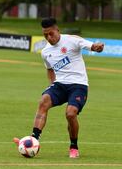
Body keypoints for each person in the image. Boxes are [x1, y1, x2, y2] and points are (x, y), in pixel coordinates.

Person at [14, 17, 104, 158]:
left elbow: (91, 46)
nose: (49, 37)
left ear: (57, 30)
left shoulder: (72, 40)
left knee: (70, 113)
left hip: (78, 85)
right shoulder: (45, 52)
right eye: (45, 35)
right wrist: (52, 84)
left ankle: (73, 146)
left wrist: (97, 47)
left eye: (51, 34)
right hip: (60, 85)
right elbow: (49, 69)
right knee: (43, 101)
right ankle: (34, 140)